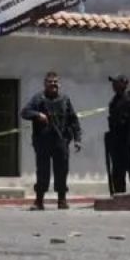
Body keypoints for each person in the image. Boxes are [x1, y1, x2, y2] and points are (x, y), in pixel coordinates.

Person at [21, 71, 82, 210]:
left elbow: (73, 120)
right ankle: (39, 201)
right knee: (43, 171)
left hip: (61, 141)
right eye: (50, 82)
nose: (53, 84)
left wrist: (77, 139)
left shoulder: (65, 99)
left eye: (55, 82)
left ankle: (62, 200)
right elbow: (24, 112)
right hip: (43, 142)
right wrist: (37, 114)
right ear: (45, 84)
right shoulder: (38, 98)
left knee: (62, 171)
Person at [105, 75, 130, 194]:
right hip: (117, 141)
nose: (114, 85)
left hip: (129, 140)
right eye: (113, 83)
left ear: (124, 84)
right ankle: (119, 193)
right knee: (117, 171)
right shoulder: (113, 101)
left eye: (117, 82)